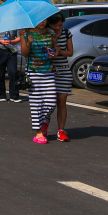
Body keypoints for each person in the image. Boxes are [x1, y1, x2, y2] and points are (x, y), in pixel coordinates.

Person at [20, 16, 58, 144]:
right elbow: (24, 53)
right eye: (39, 20)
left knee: (51, 103)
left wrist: (55, 51)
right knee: (37, 104)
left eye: (44, 19)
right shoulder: (26, 34)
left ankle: (43, 121)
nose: (42, 22)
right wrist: (29, 42)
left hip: (49, 71)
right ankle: (38, 132)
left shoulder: (51, 33)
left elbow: (54, 49)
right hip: (33, 72)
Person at [47, 13, 73, 141]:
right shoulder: (45, 33)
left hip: (63, 71)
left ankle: (61, 130)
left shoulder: (67, 33)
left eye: (60, 25)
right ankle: (43, 127)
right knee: (49, 103)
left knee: (62, 102)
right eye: (55, 25)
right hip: (48, 71)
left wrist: (60, 51)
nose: (57, 27)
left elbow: (70, 52)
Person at [0, 27, 22, 102]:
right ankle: (2, 94)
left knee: (13, 73)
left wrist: (12, 41)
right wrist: (0, 41)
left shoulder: (16, 23)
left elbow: (20, 37)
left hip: (11, 50)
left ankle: (14, 95)